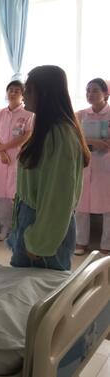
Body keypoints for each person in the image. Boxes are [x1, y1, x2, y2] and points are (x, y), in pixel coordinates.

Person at [7, 66, 90, 271]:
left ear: (44, 93)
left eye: (28, 89)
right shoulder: (45, 129)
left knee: (42, 287)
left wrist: (40, 242)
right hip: (33, 219)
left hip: (44, 227)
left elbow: (59, 198)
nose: (23, 94)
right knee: (22, 285)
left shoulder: (59, 136)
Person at [0, 80, 34, 241]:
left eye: (17, 90)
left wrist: (4, 147)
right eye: (10, 90)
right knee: (2, 198)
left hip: (17, 158)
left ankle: (18, 229)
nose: (13, 93)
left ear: (23, 94)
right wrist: (0, 151)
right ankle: (4, 228)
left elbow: (26, 135)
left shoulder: (28, 114)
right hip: (0, 159)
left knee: (18, 196)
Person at [74, 78, 110, 255]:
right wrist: (94, 142)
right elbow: (72, 136)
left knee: (108, 206)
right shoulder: (80, 114)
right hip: (84, 163)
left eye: (95, 90)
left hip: (106, 164)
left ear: (106, 94)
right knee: (81, 204)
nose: (90, 94)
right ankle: (80, 242)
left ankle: (106, 245)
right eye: (88, 91)